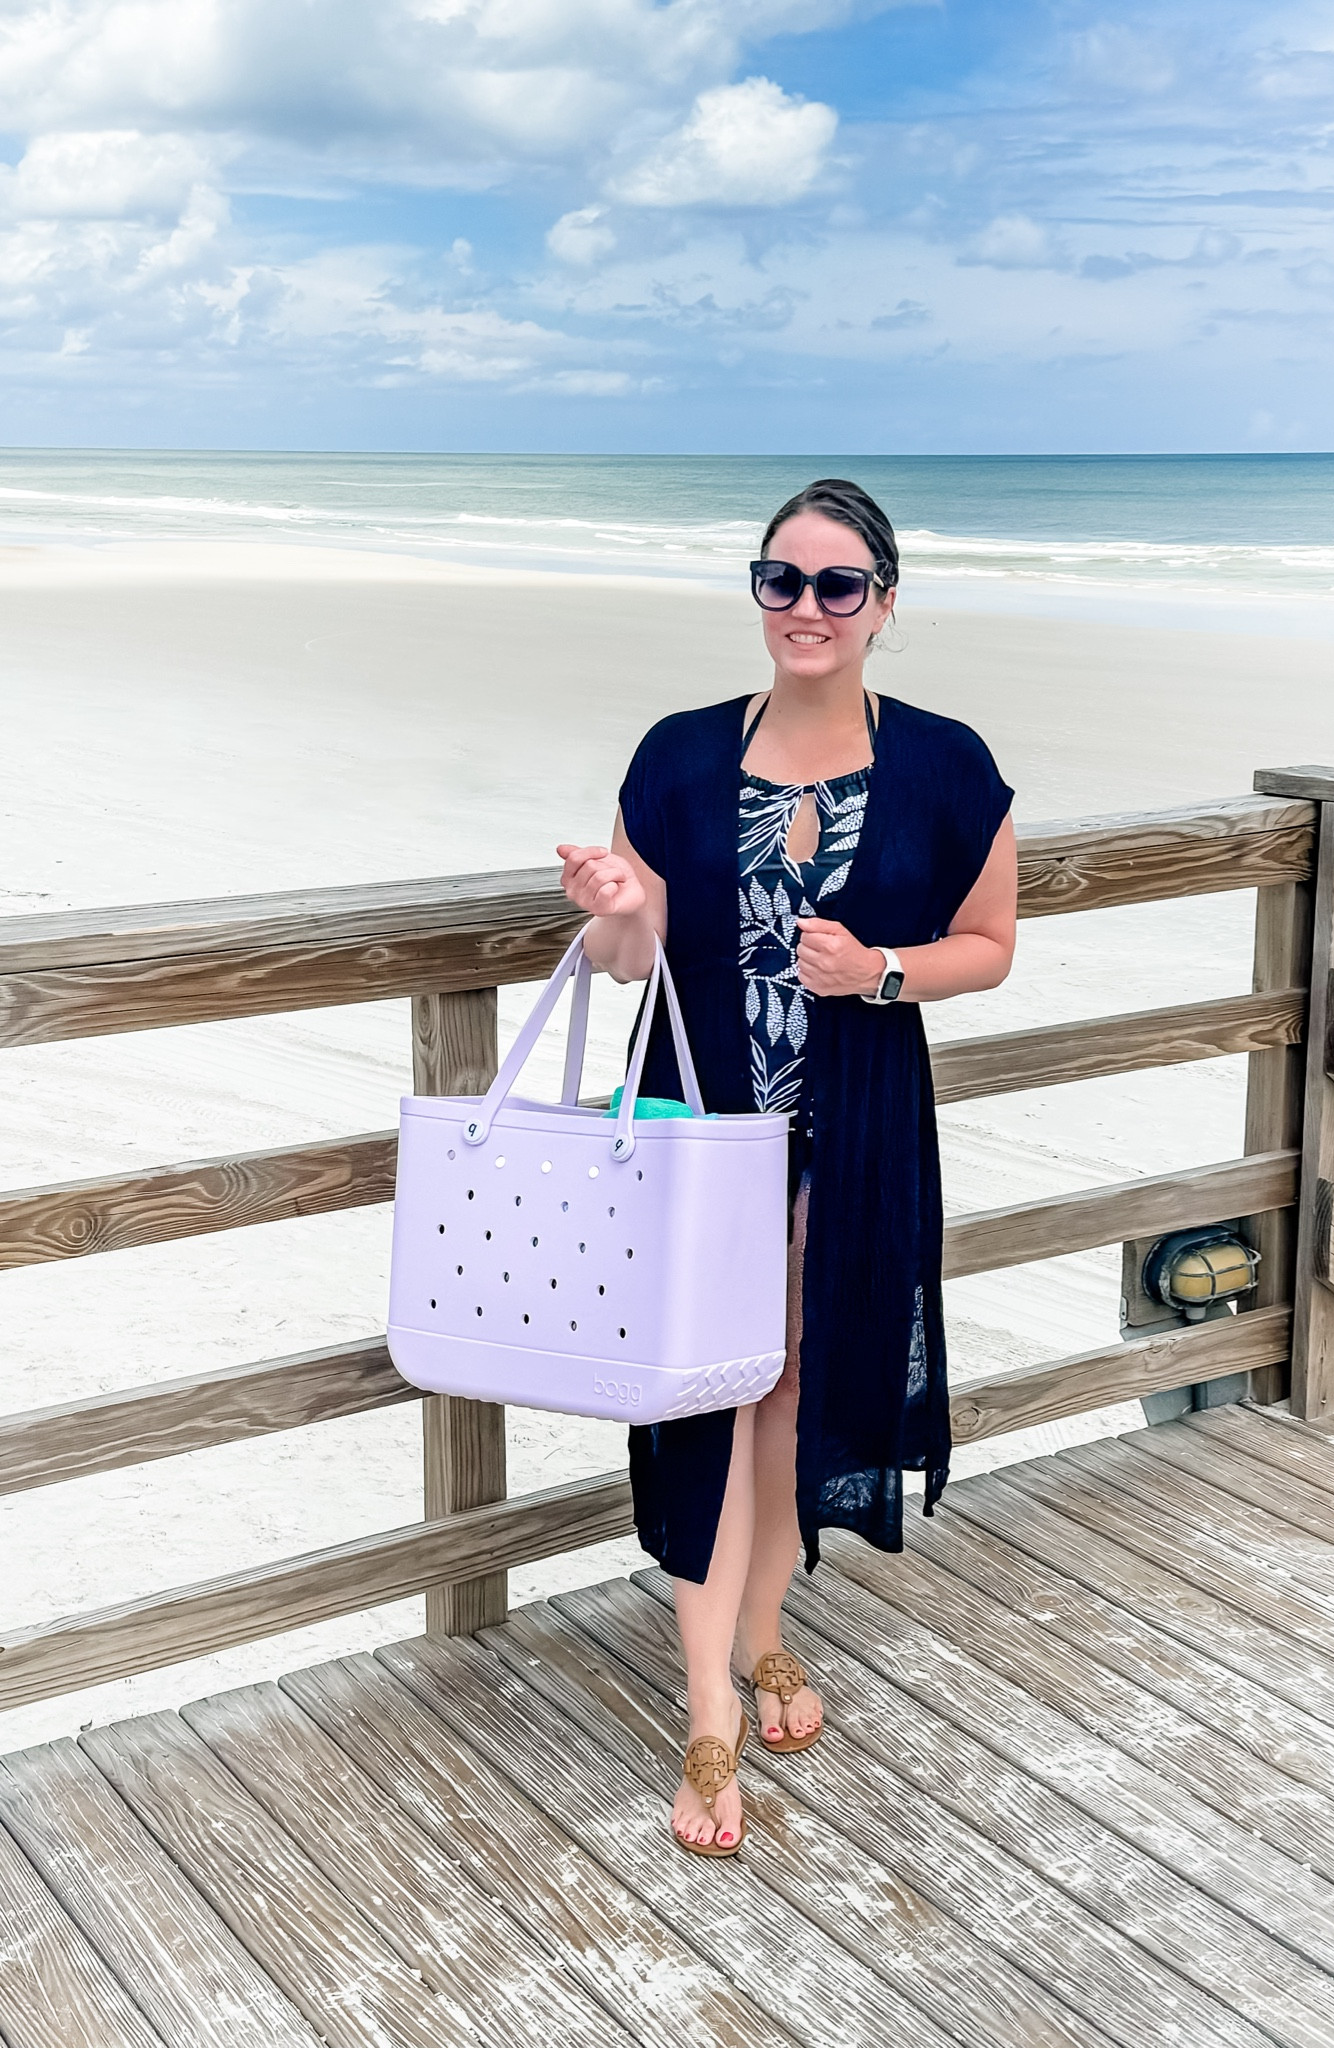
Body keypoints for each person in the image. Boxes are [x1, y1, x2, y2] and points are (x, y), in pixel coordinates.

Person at [556, 479, 1016, 1855]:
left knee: (794, 1388)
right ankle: (706, 1706)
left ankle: (764, 1631)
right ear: (757, 594)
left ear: (884, 602)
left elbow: (989, 943)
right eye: (781, 580)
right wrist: (622, 911)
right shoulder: (680, 757)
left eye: (836, 585)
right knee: (707, 1394)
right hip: (705, 1137)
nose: (806, 608)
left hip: (856, 1133)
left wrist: (877, 967)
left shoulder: (942, 765)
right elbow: (627, 965)